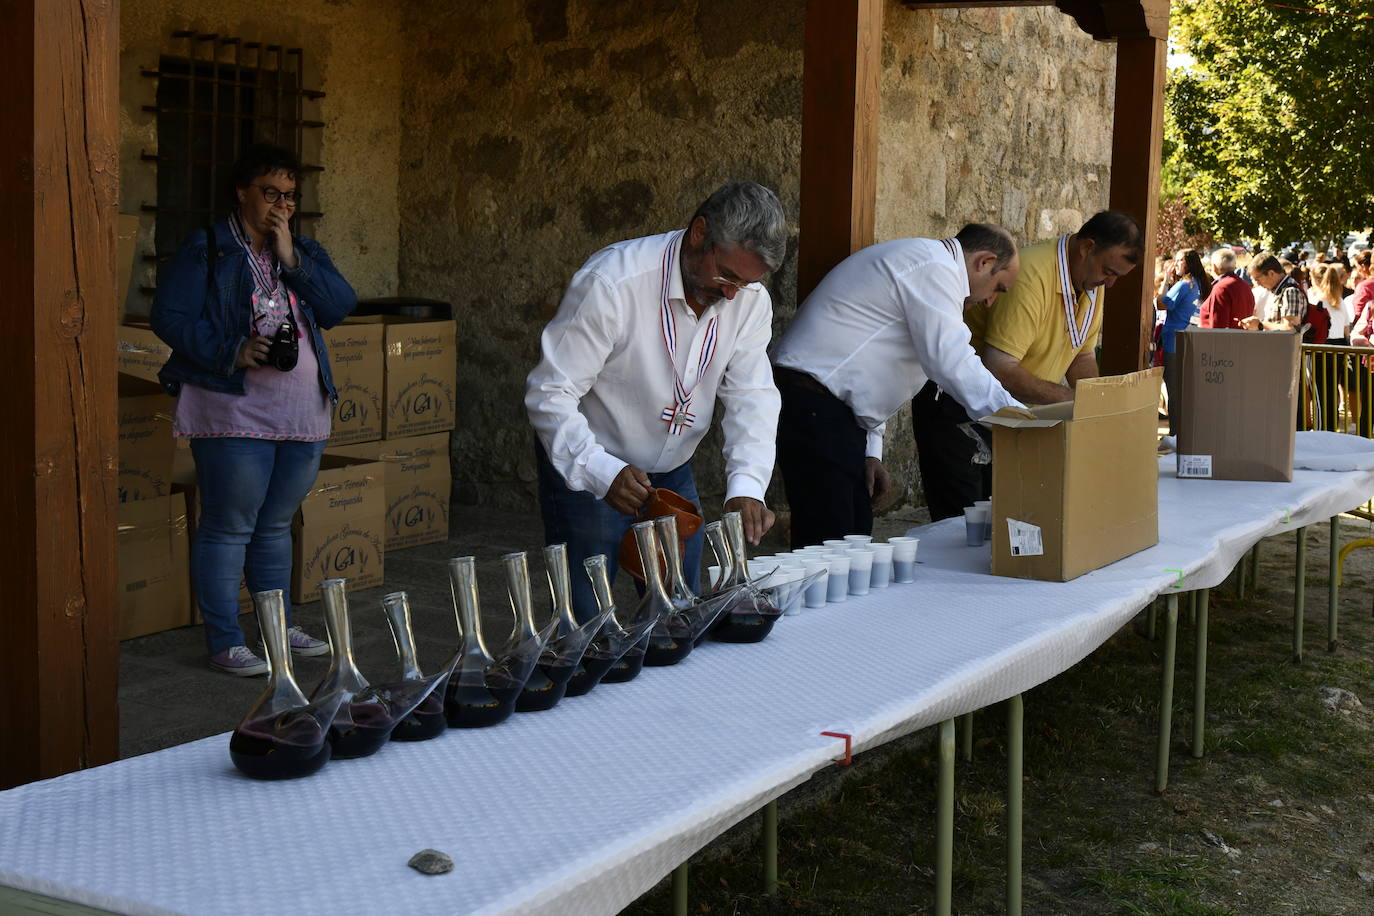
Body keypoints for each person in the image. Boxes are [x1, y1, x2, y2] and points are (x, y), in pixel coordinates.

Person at [526, 181, 786, 622]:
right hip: (592, 463)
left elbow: (752, 396)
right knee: (588, 618)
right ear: (699, 232)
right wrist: (601, 471)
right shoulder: (613, 283)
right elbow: (550, 393)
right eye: (725, 275)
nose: (730, 294)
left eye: (743, 284)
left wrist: (746, 486)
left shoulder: (748, 300)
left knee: (679, 611)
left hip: (672, 471)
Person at [151, 143, 357, 676]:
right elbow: (169, 316)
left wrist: (291, 260)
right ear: (243, 193)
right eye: (270, 193)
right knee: (230, 524)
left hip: (301, 413)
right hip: (231, 408)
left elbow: (338, 306)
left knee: (276, 525)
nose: (281, 206)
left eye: (290, 196)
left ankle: (275, 625)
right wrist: (230, 349)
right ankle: (225, 640)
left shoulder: (303, 252)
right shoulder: (209, 248)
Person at [770, 224, 1023, 547]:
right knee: (830, 546)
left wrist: (871, 451)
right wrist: (1020, 421)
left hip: (830, 411)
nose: (990, 302)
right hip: (815, 405)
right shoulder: (935, 267)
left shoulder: (925, 263)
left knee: (853, 540)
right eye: (998, 288)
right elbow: (953, 361)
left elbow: (875, 360)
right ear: (984, 262)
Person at [906, 212, 1144, 521]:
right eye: (1108, 271)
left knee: (1003, 521)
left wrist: (1097, 406)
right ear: (1087, 248)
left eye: (1117, 277)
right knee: (962, 526)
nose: (1110, 283)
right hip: (958, 405)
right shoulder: (1032, 275)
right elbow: (1000, 367)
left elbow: (1082, 356)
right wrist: (1078, 402)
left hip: (1008, 414)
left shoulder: (1090, 282)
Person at [1158, 248, 1212, 435]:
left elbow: (1161, 303)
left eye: (1179, 260)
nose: (1176, 264)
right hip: (1191, 340)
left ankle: (1175, 433)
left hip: (1174, 341)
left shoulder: (1184, 285)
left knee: (1174, 391)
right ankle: (1188, 431)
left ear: (1188, 263)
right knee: (1185, 390)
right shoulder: (1201, 284)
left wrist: (1165, 281)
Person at [1241, 254, 1305, 332]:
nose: (1258, 284)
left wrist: (1260, 325)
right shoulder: (1280, 291)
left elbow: (1291, 329)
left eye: (1258, 279)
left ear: (1271, 273)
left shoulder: (1290, 292)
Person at [1198, 248, 1255, 329]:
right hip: (1242, 338)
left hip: (1221, 339)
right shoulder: (1244, 286)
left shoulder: (1221, 288)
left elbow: (1217, 326)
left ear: (1214, 267)